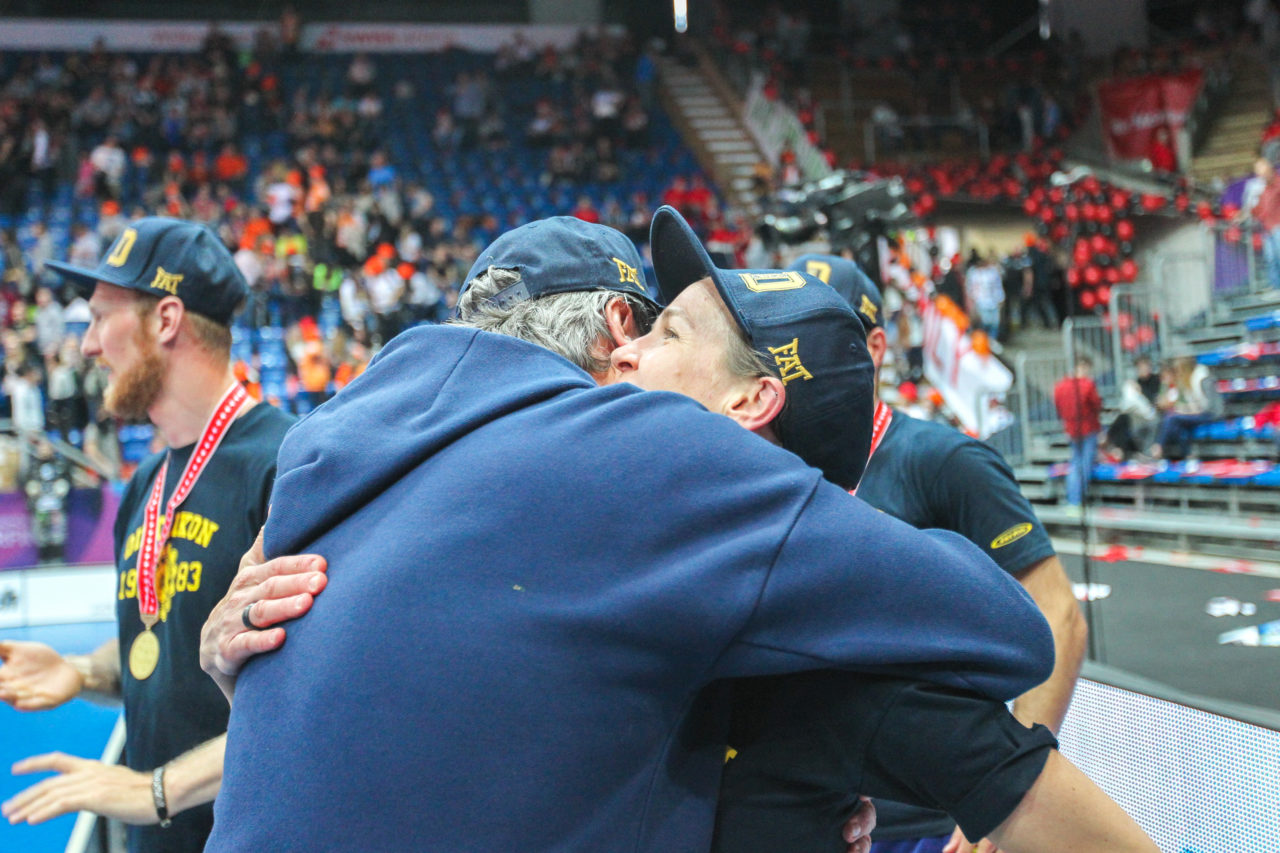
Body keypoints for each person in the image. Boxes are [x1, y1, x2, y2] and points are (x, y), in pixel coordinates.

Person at [204, 215, 1153, 852]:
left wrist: (230, 646)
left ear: (753, 399)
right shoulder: (646, 466)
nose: (630, 350)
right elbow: (1010, 629)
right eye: (644, 326)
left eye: (666, 335)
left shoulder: (340, 433)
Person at [707, 254, 1086, 853]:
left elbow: (1058, 615)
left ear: (876, 346)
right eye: (778, 341)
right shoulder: (766, 467)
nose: (795, 355)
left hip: (926, 821)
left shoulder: (944, 461)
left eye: (820, 336)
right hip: (809, 809)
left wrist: (997, 799)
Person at [0, 218, 293, 853]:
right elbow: (166, 639)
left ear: (165, 320)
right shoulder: (145, 486)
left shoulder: (287, 466)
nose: (87, 347)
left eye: (102, 318)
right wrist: (82, 671)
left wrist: (151, 791)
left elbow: (307, 703)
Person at [1149, 355, 1222, 460]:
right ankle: (1188, 456)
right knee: (1176, 425)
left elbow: (1209, 406)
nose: (1178, 374)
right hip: (1198, 412)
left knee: (1171, 418)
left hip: (1210, 414)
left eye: (1179, 370)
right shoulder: (1187, 381)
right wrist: (1185, 409)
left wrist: (1188, 410)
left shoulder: (1202, 378)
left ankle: (1158, 448)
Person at [1054, 356, 1102, 510]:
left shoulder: (1060, 386)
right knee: (1084, 465)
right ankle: (1077, 501)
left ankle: (1072, 500)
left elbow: (1059, 408)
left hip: (1071, 430)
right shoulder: (1087, 385)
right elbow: (1096, 405)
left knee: (1075, 464)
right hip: (1088, 428)